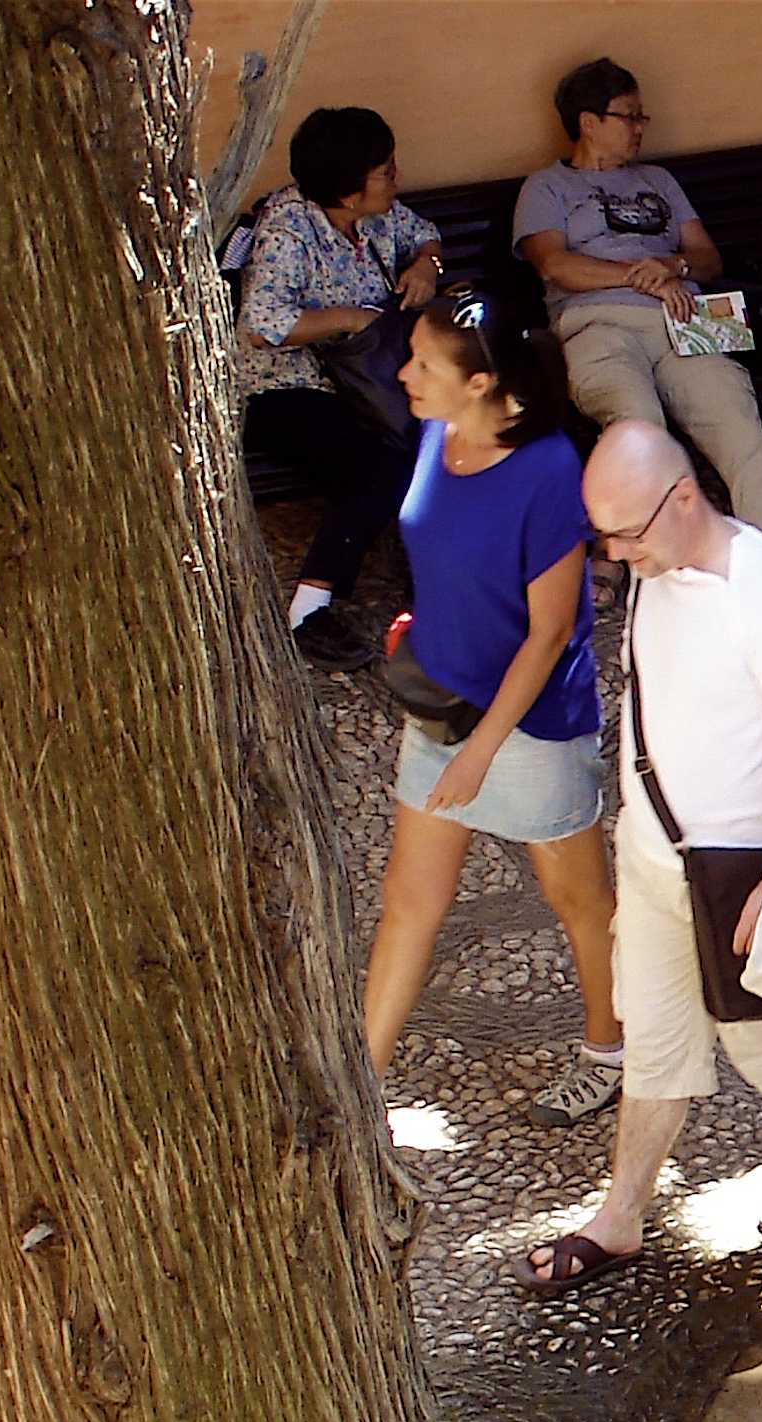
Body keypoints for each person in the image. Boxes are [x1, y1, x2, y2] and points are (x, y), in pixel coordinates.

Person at [516, 421, 762, 1296]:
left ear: (683, 497)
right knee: (653, 1036)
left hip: (737, 874)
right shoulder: (658, 567)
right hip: (656, 858)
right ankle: (620, 1218)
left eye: (627, 533)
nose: (616, 556)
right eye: (603, 536)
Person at [362, 287, 626, 1127]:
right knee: (409, 900)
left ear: (480, 383)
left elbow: (549, 634)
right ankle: (359, 1090)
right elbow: (443, 552)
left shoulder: (546, 471)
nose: (405, 374)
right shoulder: (437, 430)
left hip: (531, 727)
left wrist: (480, 754)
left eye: (423, 363)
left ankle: (609, 1052)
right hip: (441, 707)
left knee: (579, 901)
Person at [515, 58, 762, 602]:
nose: (640, 127)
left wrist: (674, 267)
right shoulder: (547, 187)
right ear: (588, 121)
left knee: (736, 420)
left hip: (686, 322)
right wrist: (642, 279)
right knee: (637, 421)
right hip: (598, 324)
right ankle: (618, 549)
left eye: (641, 116)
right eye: (629, 116)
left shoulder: (658, 181)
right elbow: (553, 264)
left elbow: (706, 256)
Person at [237, 106, 444, 670]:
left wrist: (425, 266)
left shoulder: (378, 217)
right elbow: (261, 325)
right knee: (376, 469)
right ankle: (307, 612)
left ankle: (439, 577)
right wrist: (351, 319)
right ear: (349, 191)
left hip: (367, 381)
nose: (397, 177)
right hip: (287, 386)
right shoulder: (288, 229)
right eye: (385, 170)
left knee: (439, 436)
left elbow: (424, 235)